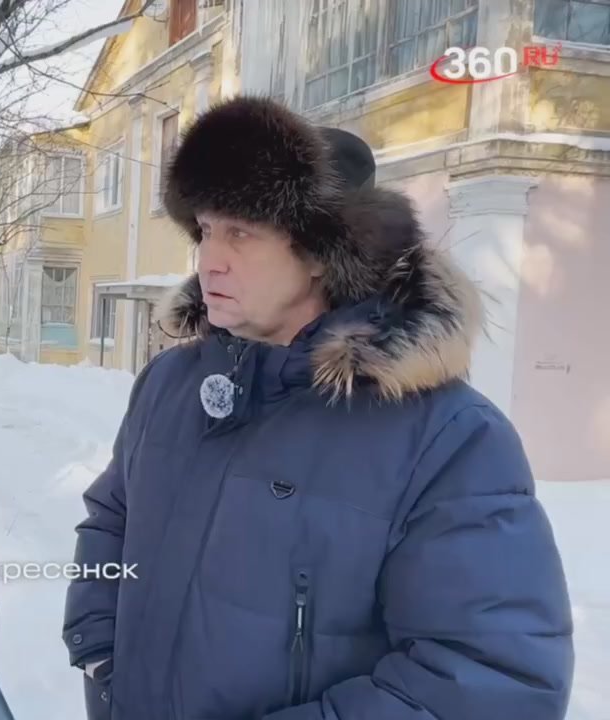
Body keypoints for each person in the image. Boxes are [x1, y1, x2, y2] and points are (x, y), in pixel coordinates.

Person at [61, 95, 575, 719]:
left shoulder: (448, 438)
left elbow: (491, 680)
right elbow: (112, 520)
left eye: (240, 233)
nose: (207, 260)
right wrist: (101, 651)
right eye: (205, 230)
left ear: (319, 253)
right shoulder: (171, 383)